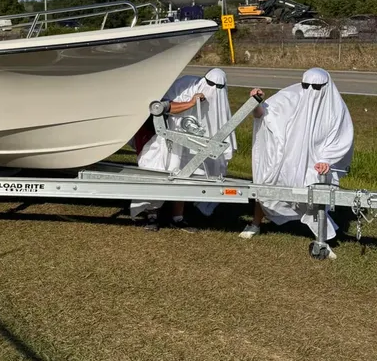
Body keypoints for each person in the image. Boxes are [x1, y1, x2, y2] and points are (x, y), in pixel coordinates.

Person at [240, 68, 353, 241]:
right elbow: (263, 116)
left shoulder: (336, 109)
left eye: (316, 87)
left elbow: (341, 138)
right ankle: (256, 223)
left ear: (325, 86)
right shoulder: (290, 96)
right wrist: (255, 102)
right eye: (306, 85)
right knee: (266, 181)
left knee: (315, 190)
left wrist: (326, 160)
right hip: (286, 158)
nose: (310, 91)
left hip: (316, 162)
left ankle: (321, 236)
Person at [131, 68, 236, 231]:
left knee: (185, 176)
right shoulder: (185, 85)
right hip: (166, 139)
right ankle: (152, 216)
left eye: (219, 87)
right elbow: (163, 106)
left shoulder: (219, 96)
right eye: (212, 85)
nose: (214, 90)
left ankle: (177, 217)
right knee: (157, 172)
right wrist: (191, 103)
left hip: (191, 144)